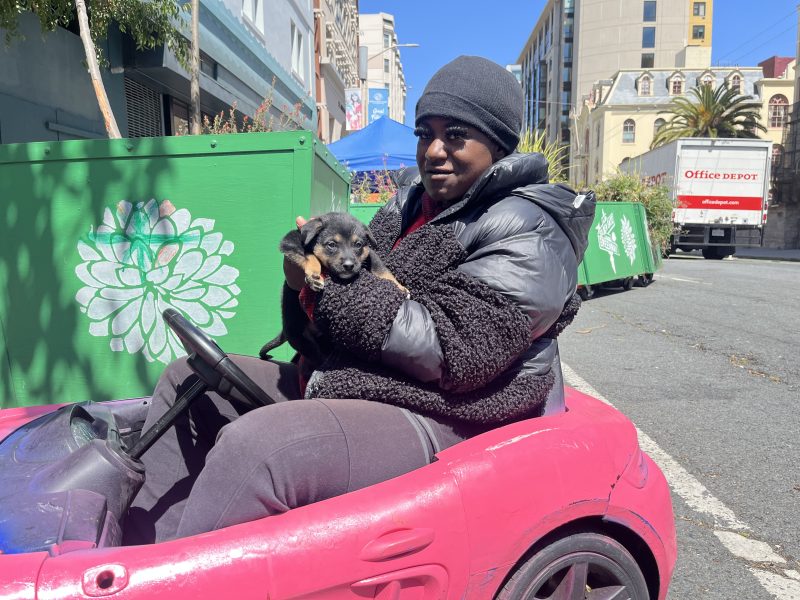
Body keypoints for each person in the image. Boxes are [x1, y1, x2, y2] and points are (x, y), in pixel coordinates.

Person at [123, 55, 596, 545]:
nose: (434, 150)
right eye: (423, 133)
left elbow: (457, 350)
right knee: (187, 380)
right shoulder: (411, 203)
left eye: (455, 134)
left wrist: (324, 284)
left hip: (452, 415)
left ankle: (180, 580)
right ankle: (135, 559)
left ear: (498, 144)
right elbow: (349, 284)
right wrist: (301, 278)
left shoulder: (531, 227)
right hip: (358, 382)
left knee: (259, 449)